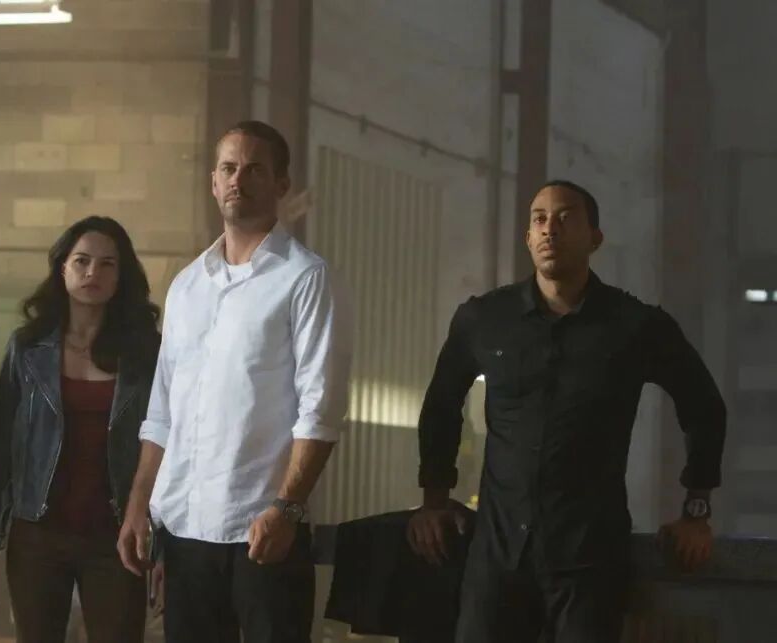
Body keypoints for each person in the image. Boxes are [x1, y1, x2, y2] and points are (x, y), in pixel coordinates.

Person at [408, 180, 727, 643]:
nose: (549, 229)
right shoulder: (485, 319)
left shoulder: (635, 325)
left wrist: (696, 511)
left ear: (595, 238)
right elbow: (441, 405)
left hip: (589, 562)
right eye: (539, 219)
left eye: (565, 217)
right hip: (498, 556)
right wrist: (434, 500)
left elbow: (704, 407)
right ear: (527, 237)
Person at [117, 120, 352, 643]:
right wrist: (139, 504)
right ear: (213, 181)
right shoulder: (186, 287)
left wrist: (287, 508)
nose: (238, 180)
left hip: (264, 527)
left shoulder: (305, 278)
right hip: (184, 530)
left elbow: (320, 409)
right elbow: (162, 411)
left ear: (281, 184)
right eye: (228, 168)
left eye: (254, 169)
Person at [0, 216, 162, 643]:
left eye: (107, 264)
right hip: (38, 533)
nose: (93, 272)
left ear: (122, 276)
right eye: (82, 261)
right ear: (62, 268)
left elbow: (165, 441)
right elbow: (0, 448)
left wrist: (161, 538)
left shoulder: (146, 352)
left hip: (117, 534)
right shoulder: (28, 348)